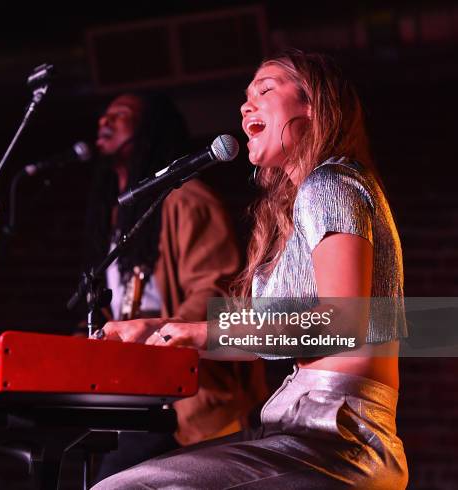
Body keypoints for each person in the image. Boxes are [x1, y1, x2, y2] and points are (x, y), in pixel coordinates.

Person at [93, 50, 408, 489]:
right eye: (245, 97)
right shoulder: (304, 202)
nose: (246, 106)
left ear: (313, 105)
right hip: (302, 422)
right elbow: (271, 336)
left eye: (265, 90)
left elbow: (343, 322)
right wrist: (159, 328)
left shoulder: (330, 183)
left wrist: (197, 333)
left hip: (338, 434)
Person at [82, 92, 268, 482]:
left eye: (122, 115)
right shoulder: (120, 216)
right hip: (135, 392)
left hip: (188, 397)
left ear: (149, 130)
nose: (105, 121)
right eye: (104, 113)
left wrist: (157, 332)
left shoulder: (188, 202)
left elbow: (214, 291)